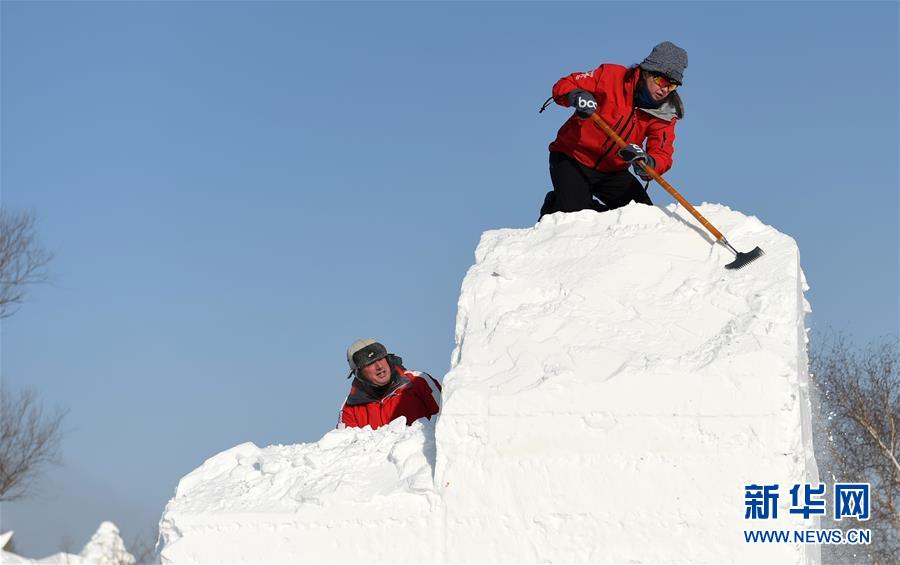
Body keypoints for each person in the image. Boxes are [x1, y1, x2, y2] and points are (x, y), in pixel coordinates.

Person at [539, 41, 688, 218]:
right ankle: (556, 205)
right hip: (572, 158)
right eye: (661, 80)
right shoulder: (611, 76)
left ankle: (584, 208)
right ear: (646, 72)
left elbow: (662, 154)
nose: (664, 89)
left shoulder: (665, 112)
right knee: (578, 218)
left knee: (644, 217)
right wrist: (576, 95)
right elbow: (565, 84)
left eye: (671, 85)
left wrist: (648, 163)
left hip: (613, 171)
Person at [338, 338, 442, 430]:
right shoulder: (350, 407)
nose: (379, 366)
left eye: (380, 358)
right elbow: (344, 447)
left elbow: (449, 421)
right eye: (369, 363)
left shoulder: (419, 382)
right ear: (358, 373)